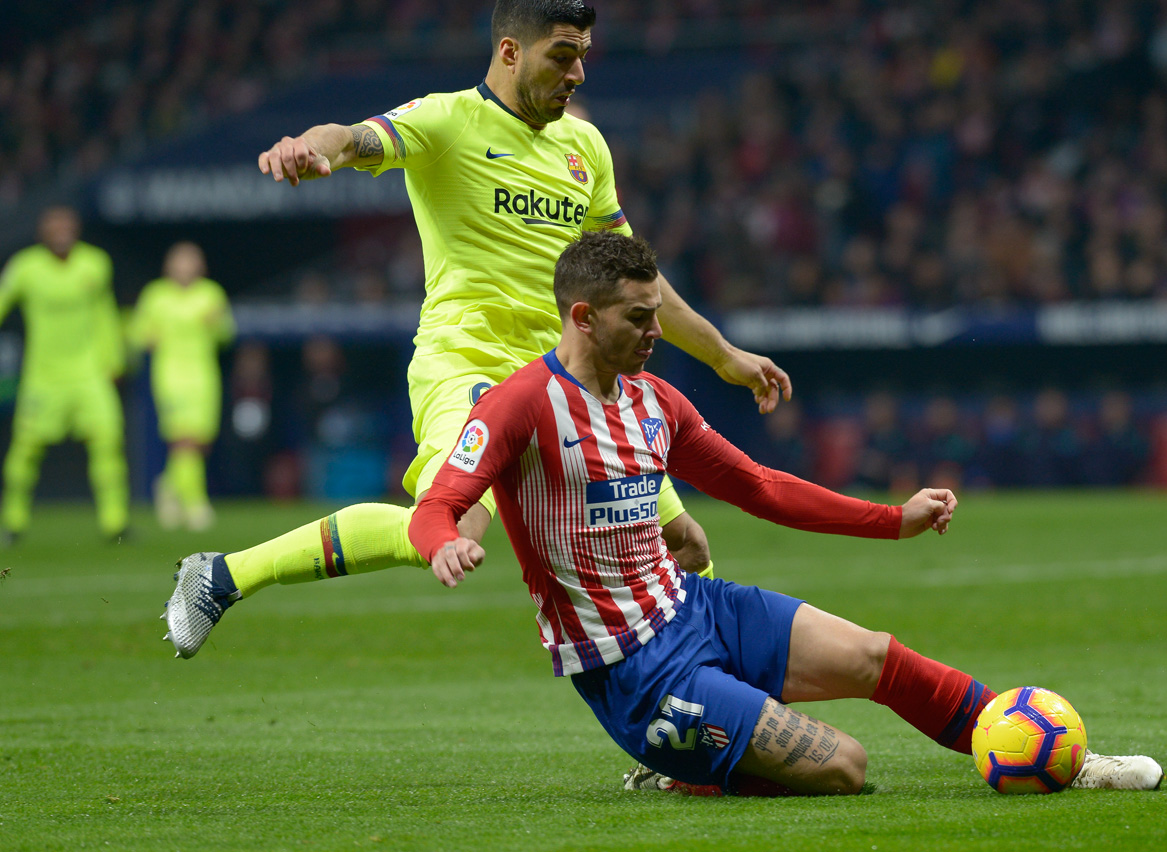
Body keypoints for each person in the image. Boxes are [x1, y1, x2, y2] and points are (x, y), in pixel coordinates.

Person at [408, 231, 1164, 795]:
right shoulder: (520, 405)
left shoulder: (655, 400)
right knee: (845, 767)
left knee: (878, 656)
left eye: (657, 314)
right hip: (631, 668)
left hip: (696, 607)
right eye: (639, 318)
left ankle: (1065, 761)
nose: (657, 332)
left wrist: (891, 518)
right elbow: (438, 503)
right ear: (583, 317)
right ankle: (684, 764)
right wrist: (443, 542)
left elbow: (761, 488)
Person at [164, 0, 790, 656]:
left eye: (582, 56)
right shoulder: (447, 120)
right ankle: (222, 576)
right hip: (470, 363)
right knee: (451, 524)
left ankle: (702, 700)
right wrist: (308, 148)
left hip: (569, 378)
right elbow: (348, 138)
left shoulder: (586, 146)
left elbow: (636, 279)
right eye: (562, 56)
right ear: (510, 52)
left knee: (684, 542)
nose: (577, 73)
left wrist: (723, 355)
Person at [0, 206, 129, 543]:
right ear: (42, 232)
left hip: (89, 373)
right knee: (25, 451)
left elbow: (105, 313)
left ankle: (115, 523)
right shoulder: (25, 267)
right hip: (43, 377)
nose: (61, 233)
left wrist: (114, 360)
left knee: (108, 442)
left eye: (67, 227)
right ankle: (13, 522)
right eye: (54, 227)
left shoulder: (95, 262)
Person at [129, 242, 235, 531]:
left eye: (191, 261)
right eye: (180, 261)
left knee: (200, 441)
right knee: (182, 438)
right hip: (171, 375)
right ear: (169, 265)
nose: (185, 267)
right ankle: (195, 503)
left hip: (203, 375)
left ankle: (169, 485)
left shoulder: (211, 293)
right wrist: (147, 336)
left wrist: (217, 323)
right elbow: (137, 333)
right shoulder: (156, 295)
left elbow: (226, 335)